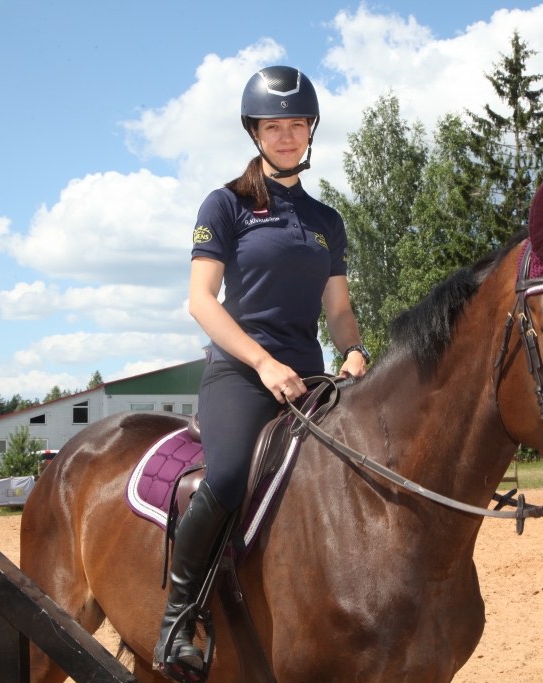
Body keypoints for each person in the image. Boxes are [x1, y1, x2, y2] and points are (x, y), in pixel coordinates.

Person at [153, 65, 371, 677]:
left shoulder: (327, 220)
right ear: (255, 133)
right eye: (273, 126)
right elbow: (201, 301)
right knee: (226, 477)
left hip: (311, 380)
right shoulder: (226, 205)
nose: (286, 136)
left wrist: (355, 350)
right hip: (242, 375)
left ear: (311, 131)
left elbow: (339, 310)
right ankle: (178, 620)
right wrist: (264, 362)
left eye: (297, 124)